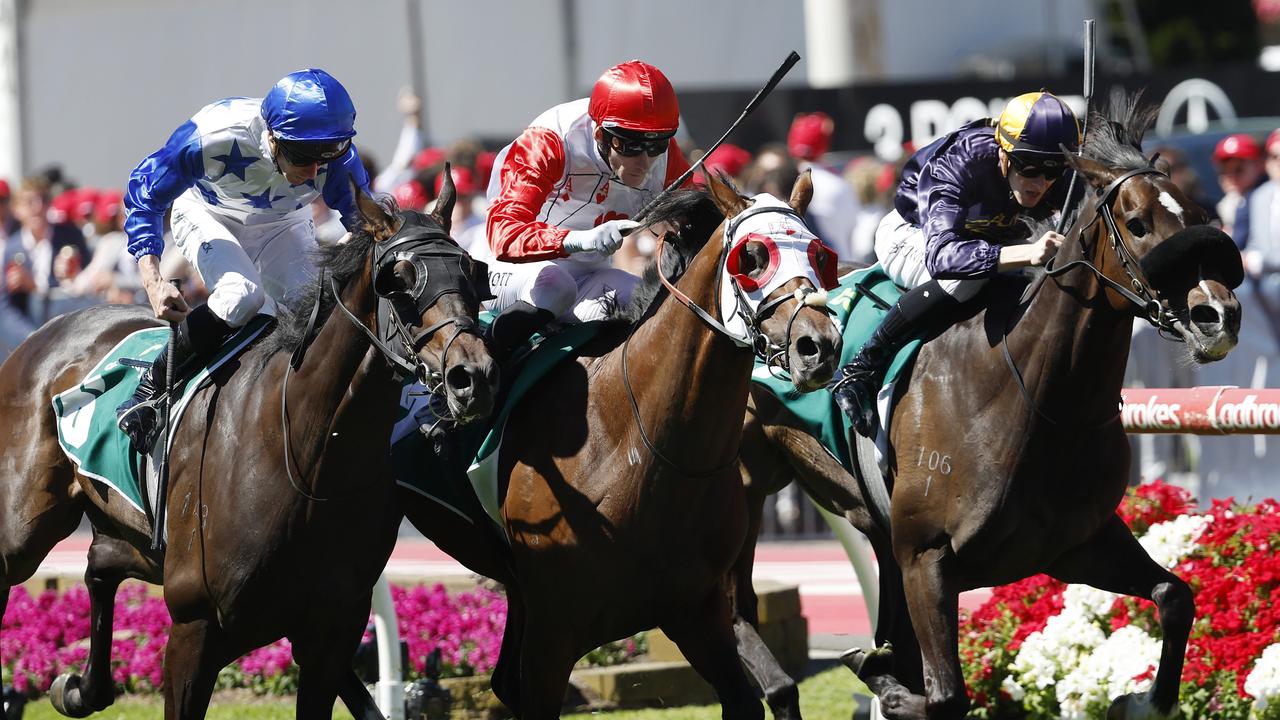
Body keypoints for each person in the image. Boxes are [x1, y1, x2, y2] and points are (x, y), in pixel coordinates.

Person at [117, 68, 372, 452]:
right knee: (243, 294)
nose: (315, 171)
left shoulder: (335, 156)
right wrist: (153, 281)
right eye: (304, 157)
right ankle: (153, 387)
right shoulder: (212, 135)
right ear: (271, 135)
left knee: (320, 310)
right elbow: (144, 193)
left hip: (283, 224)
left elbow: (368, 225)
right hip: (207, 212)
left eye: (328, 156)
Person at [828, 91, 1080, 436]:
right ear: (1003, 152)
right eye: (1029, 166)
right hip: (912, 235)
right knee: (968, 279)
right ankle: (862, 366)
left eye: (1054, 169)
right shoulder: (962, 161)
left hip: (984, 242)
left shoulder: (1056, 175)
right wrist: (1027, 253)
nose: (1041, 182)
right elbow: (945, 257)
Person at [481, 59, 691, 356]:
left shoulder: (668, 161)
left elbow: (702, 231)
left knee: (661, 306)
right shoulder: (548, 141)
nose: (644, 161)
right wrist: (576, 240)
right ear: (600, 136)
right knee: (556, 286)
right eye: (630, 146)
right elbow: (505, 235)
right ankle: (478, 375)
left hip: (593, 276)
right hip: (510, 271)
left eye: (656, 144)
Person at [787, 112, 859, 261]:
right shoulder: (838, 185)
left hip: (794, 269)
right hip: (839, 266)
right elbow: (853, 233)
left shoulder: (780, 181)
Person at [1212, 133, 1265, 238]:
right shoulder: (1227, 203)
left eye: (1239, 170)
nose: (1231, 176)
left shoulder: (1267, 198)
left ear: (1259, 165)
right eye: (1224, 171)